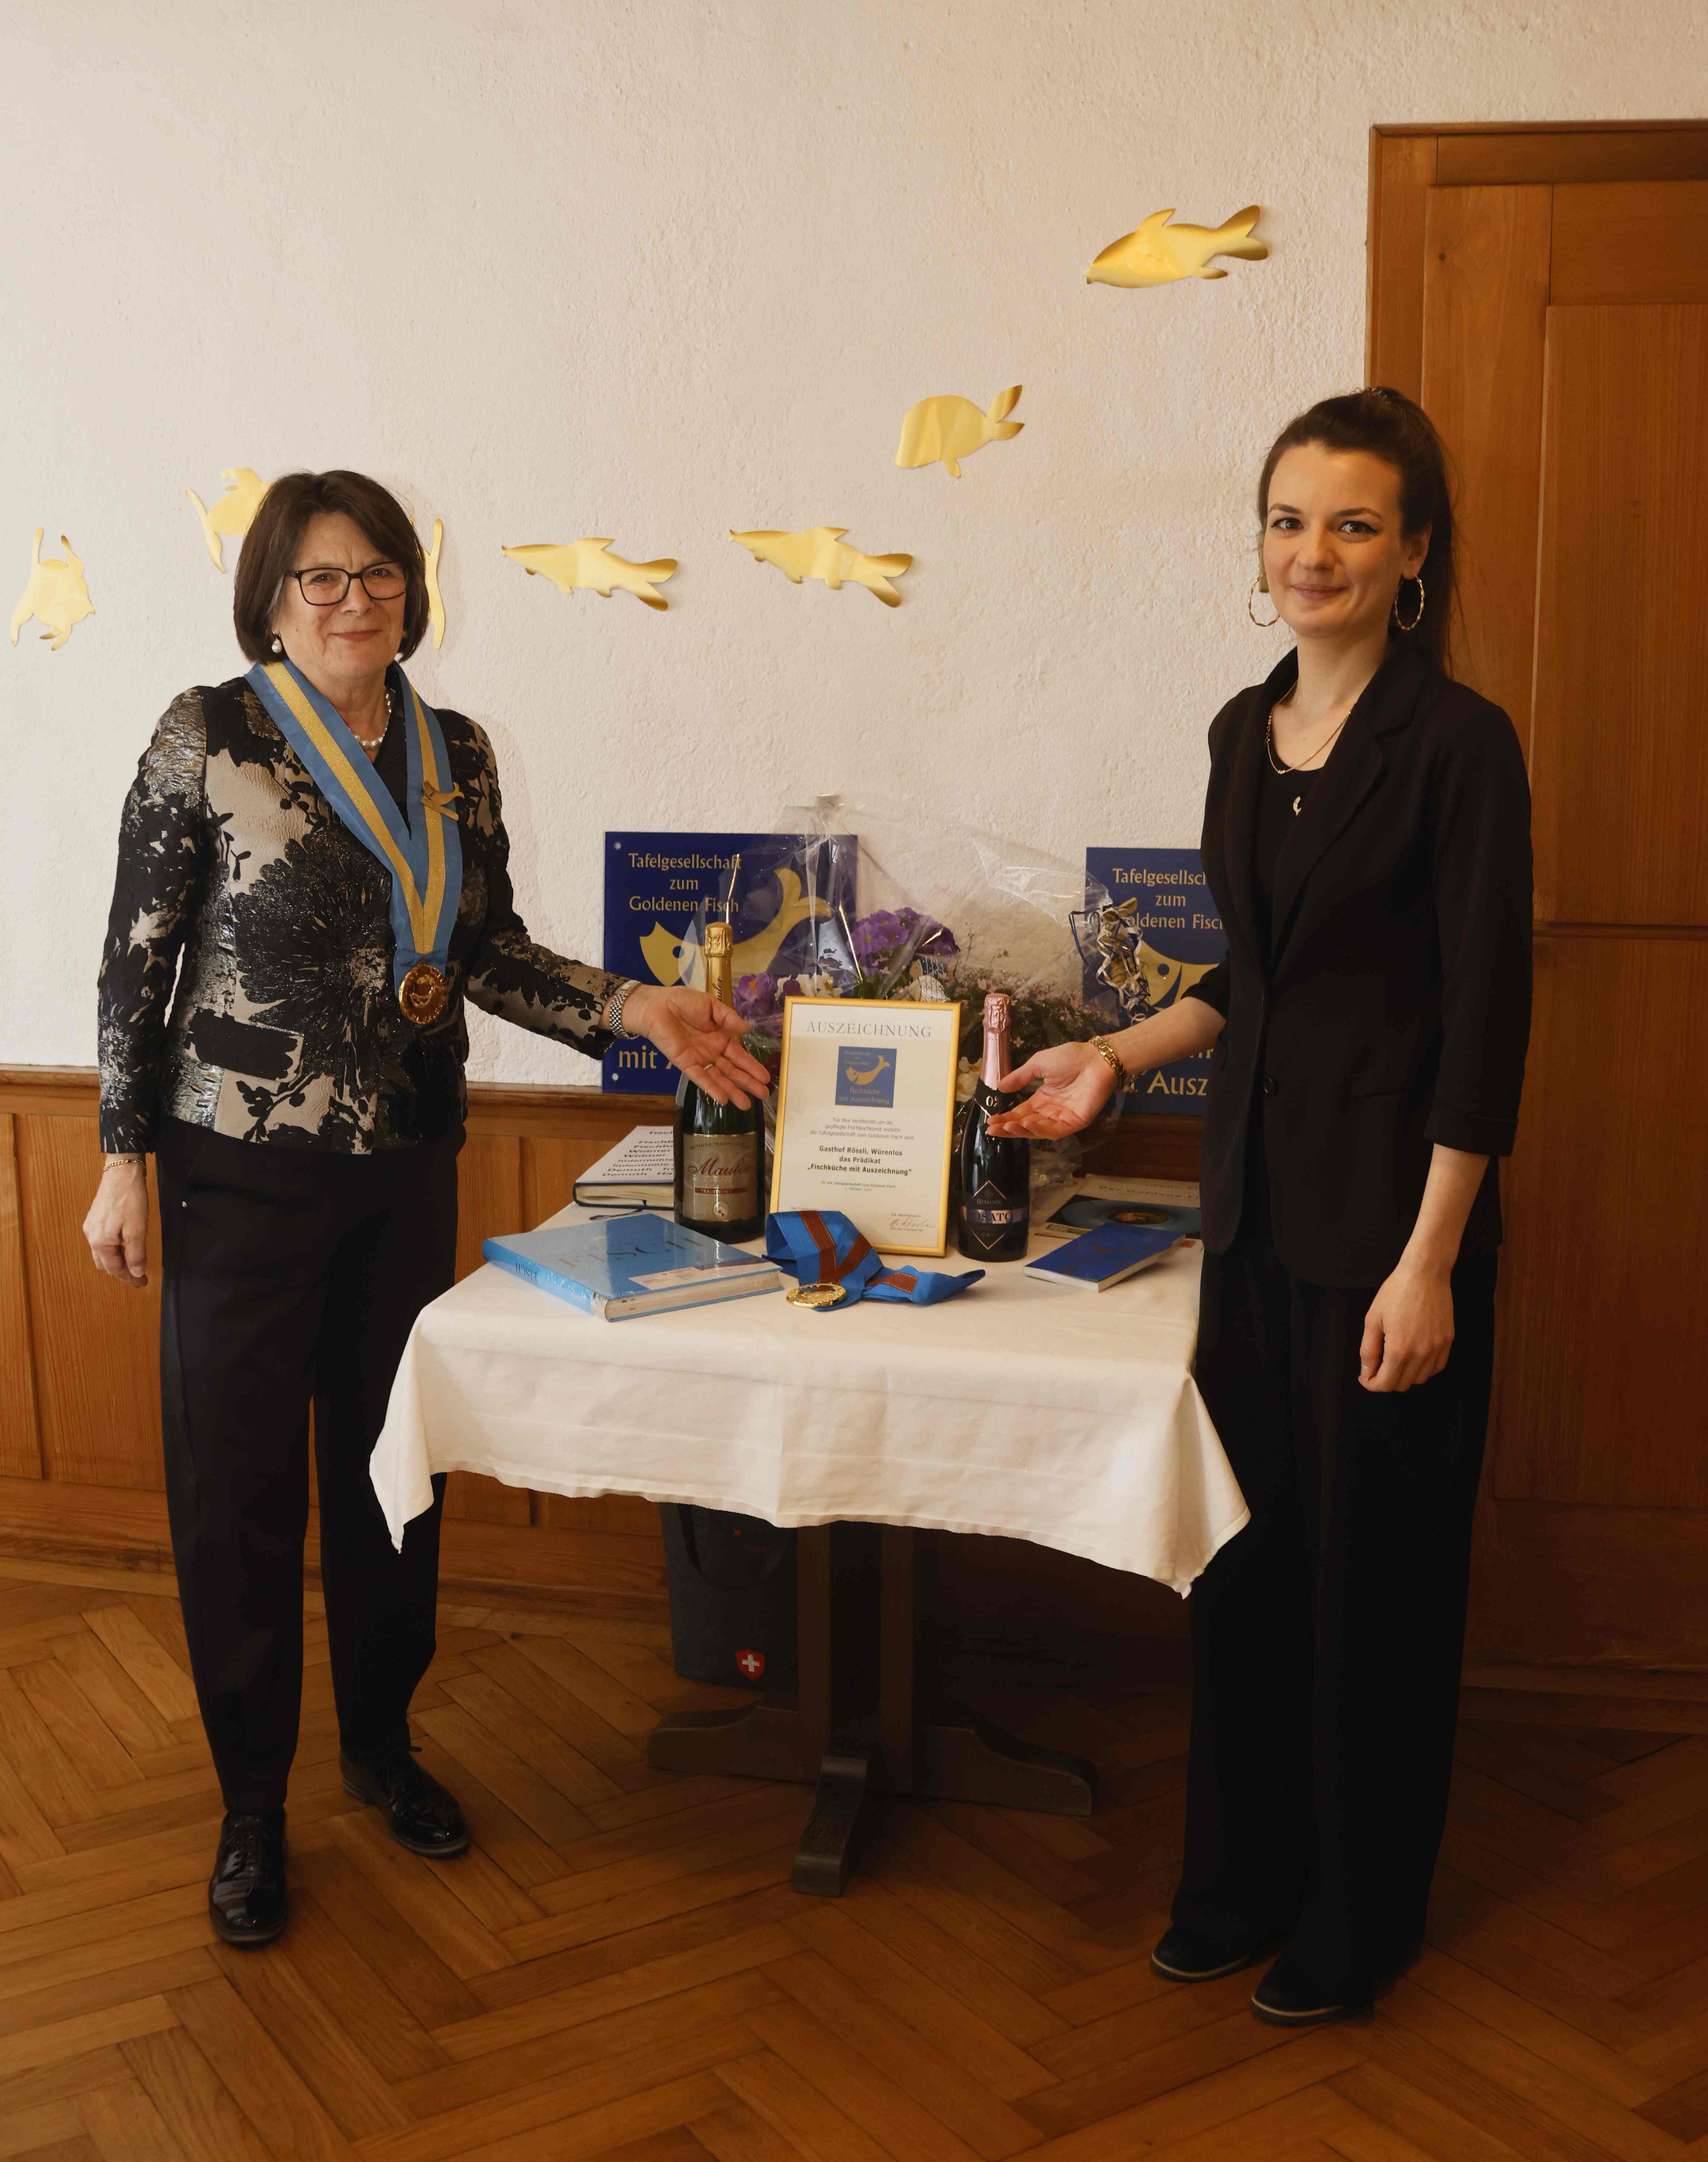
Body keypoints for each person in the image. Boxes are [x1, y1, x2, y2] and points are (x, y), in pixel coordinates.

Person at [84, 469, 769, 1946]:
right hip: (236, 1166)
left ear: (412, 589)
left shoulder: (452, 752)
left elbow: (484, 951)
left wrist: (633, 1005)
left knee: (394, 1467)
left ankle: (382, 1745)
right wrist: (121, 1156)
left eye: (381, 573)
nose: (356, 600)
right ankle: (250, 1804)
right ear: (272, 600)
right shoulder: (209, 732)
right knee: (237, 1489)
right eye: (322, 577)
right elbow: (137, 959)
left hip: (403, 1157)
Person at [989, 389, 1532, 2024]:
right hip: (1250, 1226)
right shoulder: (1244, 729)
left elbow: (1483, 1020)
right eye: (1289, 521)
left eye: (1353, 523)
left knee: (1374, 1590)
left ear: (1413, 552)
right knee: (1244, 1566)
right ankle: (1235, 1882)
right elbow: (1255, 975)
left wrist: (1430, 1263)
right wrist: (1109, 1059)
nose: (1314, 552)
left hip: (1390, 1239)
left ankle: (1356, 1920)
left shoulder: (1458, 746)